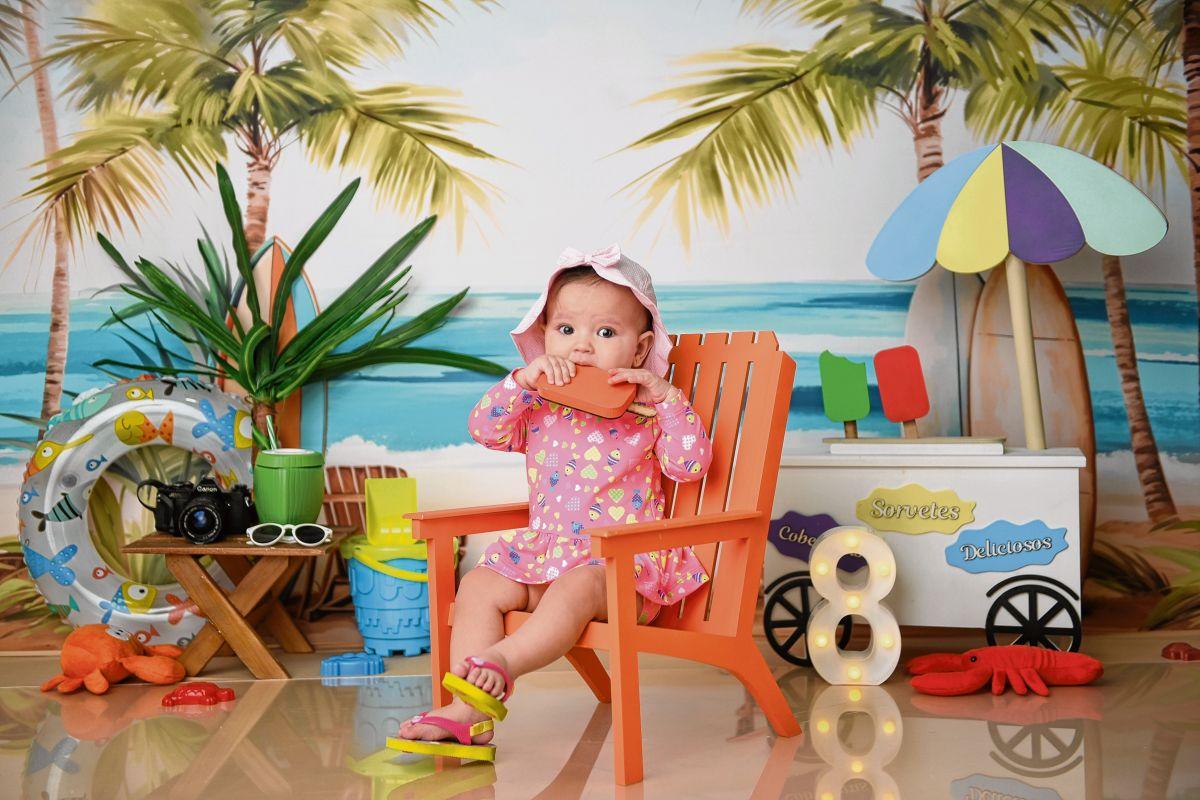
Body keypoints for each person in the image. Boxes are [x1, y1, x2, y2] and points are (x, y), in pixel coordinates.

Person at [392, 244, 712, 760]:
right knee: (478, 585)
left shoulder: (647, 415)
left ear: (639, 350)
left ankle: (501, 663)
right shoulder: (541, 405)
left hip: (618, 571)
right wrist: (521, 382)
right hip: (545, 556)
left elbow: (690, 466)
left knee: (579, 583)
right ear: (544, 336)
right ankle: (467, 713)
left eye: (604, 333)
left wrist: (668, 401)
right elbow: (486, 430)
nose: (581, 346)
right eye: (566, 329)